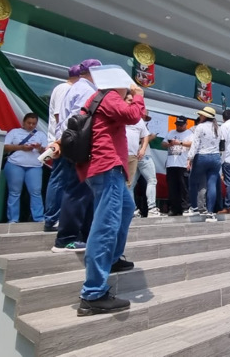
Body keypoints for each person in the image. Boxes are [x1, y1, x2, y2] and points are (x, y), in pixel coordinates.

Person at [76, 80, 145, 316]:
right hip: (108, 168)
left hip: (104, 168)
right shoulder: (109, 96)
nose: (129, 89)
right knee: (106, 226)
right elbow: (133, 115)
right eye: (127, 85)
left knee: (127, 208)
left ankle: (113, 258)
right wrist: (138, 96)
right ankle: (93, 293)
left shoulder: (99, 98)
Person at [48, 59, 102, 251]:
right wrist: (62, 141)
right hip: (79, 144)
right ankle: (66, 238)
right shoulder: (86, 90)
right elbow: (77, 119)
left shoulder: (77, 87)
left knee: (82, 191)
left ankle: (80, 235)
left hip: (72, 142)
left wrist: (59, 139)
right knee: (77, 191)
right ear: (91, 72)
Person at [43, 63, 83, 231]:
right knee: (59, 180)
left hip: (65, 140)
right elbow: (61, 116)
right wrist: (60, 141)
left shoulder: (65, 88)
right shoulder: (64, 89)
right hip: (61, 141)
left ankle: (59, 217)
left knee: (65, 180)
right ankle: (52, 219)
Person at [3, 113, 47, 223]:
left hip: (34, 166)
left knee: (36, 192)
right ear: (23, 122)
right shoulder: (14, 132)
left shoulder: (41, 135)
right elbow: (5, 147)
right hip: (15, 164)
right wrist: (21, 147)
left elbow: (47, 152)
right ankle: (13, 219)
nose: (31, 125)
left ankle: (39, 218)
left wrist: (39, 147)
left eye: (34, 124)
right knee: (14, 192)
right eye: (29, 123)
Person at [125, 104, 163, 217]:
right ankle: (151, 207)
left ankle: (132, 209)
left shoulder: (127, 122)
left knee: (131, 185)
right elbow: (143, 139)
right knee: (152, 180)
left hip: (132, 156)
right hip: (143, 155)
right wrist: (151, 137)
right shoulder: (139, 123)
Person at [187, 106, 222, 221]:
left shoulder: (200, 127)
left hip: (201, 156)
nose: (199, 116)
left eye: (201, 115)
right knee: (212, 184)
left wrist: (189, 158)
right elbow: (222, 146)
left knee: (193, 182)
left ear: (205, 116)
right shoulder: (218, 128)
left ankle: (194, 208)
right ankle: (210, 212)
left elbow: (195, 144)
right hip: (215, 157)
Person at [161, 116, 192, 216]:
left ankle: (185, 207)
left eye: (181, 125)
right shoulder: (171, 132)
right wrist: (169, 144)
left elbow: (192, 144)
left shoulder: (189, 133)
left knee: (184, 187)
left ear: (186, 124)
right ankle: (174, 208)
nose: (179, 127)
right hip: (171, 164)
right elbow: (163, 143)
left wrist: (180, 143)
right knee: (172, 187)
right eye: (177, 125)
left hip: (182, 164)